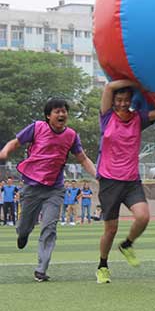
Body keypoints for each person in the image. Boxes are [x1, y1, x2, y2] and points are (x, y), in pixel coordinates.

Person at [0, 98, 96, 282]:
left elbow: (82, 158)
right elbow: (16, 142)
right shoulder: (37, 127)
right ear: (48, 116)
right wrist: (5, 152)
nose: (61, 114)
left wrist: (98, 175)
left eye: (64, 111)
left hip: (55, 188)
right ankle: (23, 233)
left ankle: (41, 269)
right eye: (57, 111)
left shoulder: (71, 135)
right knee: (23, 226)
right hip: (31, 186)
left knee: (49, 227)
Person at [95, 79, 155, 284]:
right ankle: (102, 265)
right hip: (109, 181)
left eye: (126, 100)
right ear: (113, 101)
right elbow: (109, 87)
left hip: (131, 180)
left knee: (143, 217)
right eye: (119, 100)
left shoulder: (138, 118)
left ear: (131, 101)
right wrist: (138, 81)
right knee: (110, 230)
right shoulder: (106, 117)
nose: (122, 103)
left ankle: (127, 244)